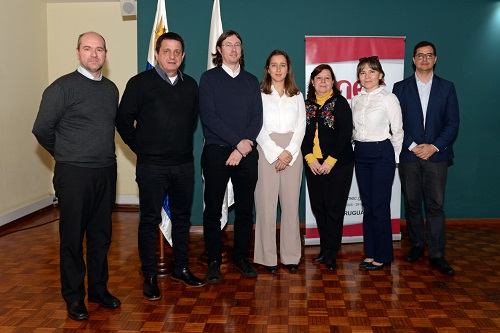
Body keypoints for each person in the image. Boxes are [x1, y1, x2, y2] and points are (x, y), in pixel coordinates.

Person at [32, 32, 120, 321]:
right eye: (87, 49)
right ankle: (74, 297)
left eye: (99, 49)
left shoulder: (111, 89)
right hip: (74, 173)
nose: (94, 54)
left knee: (101, 236)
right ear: (78, 52)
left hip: (106, 171)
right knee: (72, 237)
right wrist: (67, 154)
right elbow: (42, 129)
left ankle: (97, 289)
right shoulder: (61, 88)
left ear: (105, 54)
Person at [116, 32, 204, 300]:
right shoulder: (140, 83)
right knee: (149, 221)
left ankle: (181, 268)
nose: (172, 56)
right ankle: (150, 275)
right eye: (166, 51)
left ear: (183, 56)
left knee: (181, 219)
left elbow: (190, 123)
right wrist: (141, 148)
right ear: (156, 54)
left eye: (177, 52)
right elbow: (122, 121)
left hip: (182, 165)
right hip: (151, 167)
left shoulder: (190, 85)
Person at [199, 30, 263, 284]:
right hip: (216, 151)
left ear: (241, 50)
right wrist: (237, 144)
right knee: (213, 210)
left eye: (238, 44)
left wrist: (241, 148)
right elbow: (210, 117)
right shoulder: (209, 79)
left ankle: (240, 258)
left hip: (246, 153)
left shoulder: (250, 80)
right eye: (228, 45)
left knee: (246, 210)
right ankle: (214, 260)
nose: (233, 49)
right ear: (219, 50)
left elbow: (257, 118)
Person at [393, 41, 459, 275]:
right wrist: (413, 146)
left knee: (436, 206)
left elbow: (452, 123)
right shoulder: (399, 88)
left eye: (429, 55)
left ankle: (438, 254)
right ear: (413, 59)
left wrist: (433, 147)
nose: (424, 59)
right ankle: (418, 246)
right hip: (409, 155)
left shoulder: (447, 88)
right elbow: (395, 122)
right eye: (420, 55)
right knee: (412, 205)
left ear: (435, 59)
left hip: (437, 157)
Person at [253, 50, 306, 274]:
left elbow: (302, 126)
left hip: (293, 152)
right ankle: (267, 258)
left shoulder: (297, 95)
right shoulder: (259, 94)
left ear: (288, 68)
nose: (277, 69)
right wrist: (276, 152)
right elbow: (257, 126)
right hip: (267, 150)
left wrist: (290, 152)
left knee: (291, 206)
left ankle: (291, 255)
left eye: (282, 65)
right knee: (266, 207)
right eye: (273, 65)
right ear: (267, 69)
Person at [351, 56, 404, 270]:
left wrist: (395, 160)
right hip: (361, 153)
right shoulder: (356, 100)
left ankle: (383, 255)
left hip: (383, 154)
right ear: (359, 77)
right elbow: (355, 131)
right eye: (363, 72)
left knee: (380, 206)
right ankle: (370, 253)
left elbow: (398, 131)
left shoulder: (388, 98)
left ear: (380, 75)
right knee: (368, 206)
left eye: (372, 71)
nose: (367, 76)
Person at [301, 64, 354, 270]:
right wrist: (310, 159)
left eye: (327, 78)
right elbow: (301, 135)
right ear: (312, 82)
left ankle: (332, 252)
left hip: (338, 166)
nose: (323, 82)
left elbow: (344, 135)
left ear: (333, 82)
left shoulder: (340, 103)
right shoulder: (305, 105)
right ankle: (324, 250)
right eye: (319, 78)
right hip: (313, 165)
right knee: (319, 208)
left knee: (334, 209)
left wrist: (330, 162)